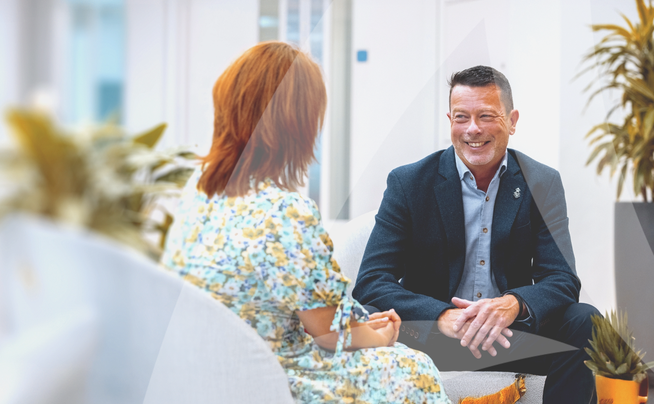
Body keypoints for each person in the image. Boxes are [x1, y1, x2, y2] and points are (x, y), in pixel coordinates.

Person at [161, 41, 451, 404]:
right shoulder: (285, 212)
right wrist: (379, 337)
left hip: (200, 375)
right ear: (294, 124)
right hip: (270, 378)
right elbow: (330, 334)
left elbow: (271, 304)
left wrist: (354, 324)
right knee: (414, 369)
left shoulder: (197, 192)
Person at [353, 65, 599, 404]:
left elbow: (562, 279)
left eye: (486, 116)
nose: (472, 129)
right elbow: (371, 281)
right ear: (449, 120)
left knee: (585, 320)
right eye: (461, 117)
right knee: (365, 315)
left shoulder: (541, 182)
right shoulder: (408, 183)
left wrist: (513, 304)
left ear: (512, 121)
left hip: (509, 336)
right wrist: (441, 315)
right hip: (431, 337)